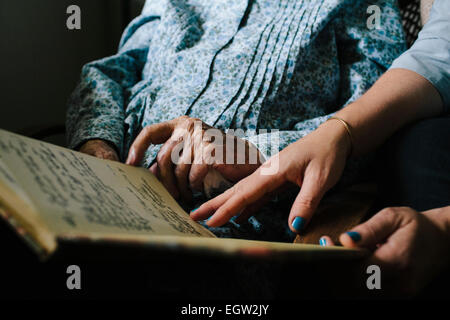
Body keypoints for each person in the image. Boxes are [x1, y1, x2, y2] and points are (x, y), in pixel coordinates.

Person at [191, 0, 450, 295]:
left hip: (256, 218)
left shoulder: (369, 11)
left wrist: (268, 151)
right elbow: (129, 61)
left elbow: (432, 56)